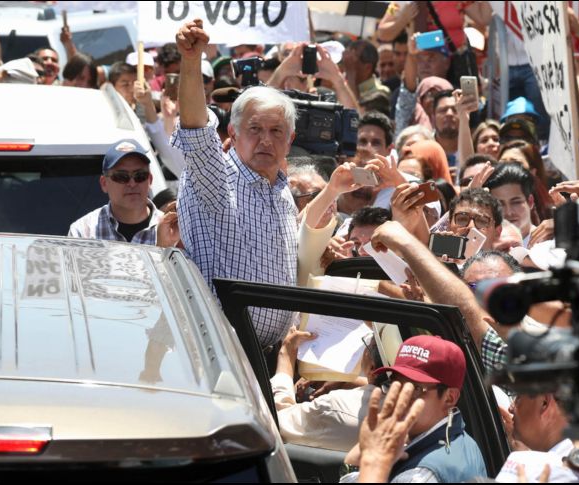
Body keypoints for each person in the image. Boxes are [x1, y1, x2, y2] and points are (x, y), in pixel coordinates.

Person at [172, 19, 298, 349]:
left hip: (271, 358)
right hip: (222, 354)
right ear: (233, 133)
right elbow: (196, 132)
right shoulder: (217, 180)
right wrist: (190, 61)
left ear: (290, 140)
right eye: (255, 129)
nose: (266, 141)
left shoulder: (283, 192)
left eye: (276, 131)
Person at [342, 334, 487, 483]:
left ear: (449, 398)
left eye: (416, 389)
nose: (400, 398)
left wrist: (369, 461)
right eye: (395, 385)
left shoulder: (419, 475)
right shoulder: (464, 442)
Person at [270, 327, 378, 452]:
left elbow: (277, 422)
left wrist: (287, 354)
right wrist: (345, 380)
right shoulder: (404, 415)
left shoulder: (334, 408)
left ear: (372, 367)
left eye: (369, 343)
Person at [68, 139, 167, 246]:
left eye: (140, 175)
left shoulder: (173, 230)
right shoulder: (84, 232)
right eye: (121, 177)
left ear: (150, 180)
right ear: (104, 183)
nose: (132, 183)